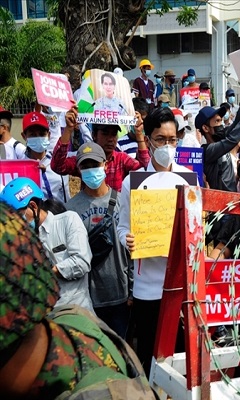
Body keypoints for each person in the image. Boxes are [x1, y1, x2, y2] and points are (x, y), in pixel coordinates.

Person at [0, 201, 155, 399]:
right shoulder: (27, 238)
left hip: (89, 303)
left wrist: (50, 269)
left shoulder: (68, 219)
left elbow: (83, 261)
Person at [117, 107, 193, 375]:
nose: (168, 145)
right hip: (147, 288)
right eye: (161, 139)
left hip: (181, 287)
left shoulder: (188, 180)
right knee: (152, 360)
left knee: (183, 362)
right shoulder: (133, 183)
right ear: (148, 140)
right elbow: (122, 225)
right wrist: (126, 239)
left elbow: (196, 229)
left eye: (173, 139)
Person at [66, 142, 131, 339]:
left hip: (121, 294)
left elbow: (132, 249)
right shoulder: (71, 209)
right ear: (78, 169)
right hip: (89, 298)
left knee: (122, 351)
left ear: (106, 164)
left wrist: (132, 290)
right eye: (85, 166)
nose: (91, 170)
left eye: (95, 164)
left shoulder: (123, 201)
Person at [0, 177, 93, 311]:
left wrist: (44, 271)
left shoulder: (68, 220)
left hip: (76, 312)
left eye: (18, 216)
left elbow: (82, 262)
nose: (16, 223)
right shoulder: (22, 239)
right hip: (45, 318)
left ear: (33, 206)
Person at [51, 105, 150, 192]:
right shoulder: (84, 159)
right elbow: (58, 166)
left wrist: (139, 134)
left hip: (115, 212)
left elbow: (145, 170)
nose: (110, 139)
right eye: (105, 133)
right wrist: (68, 129)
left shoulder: (121, 159)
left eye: (114, 134)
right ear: (94, 135)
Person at [21, 111, 71, 202]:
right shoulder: (21, 168)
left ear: (49, 135)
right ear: (24, 136)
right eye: (32, 135)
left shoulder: (57, 162)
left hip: (61, 213)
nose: (38, 137)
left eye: (41, 134)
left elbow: (66, 194)